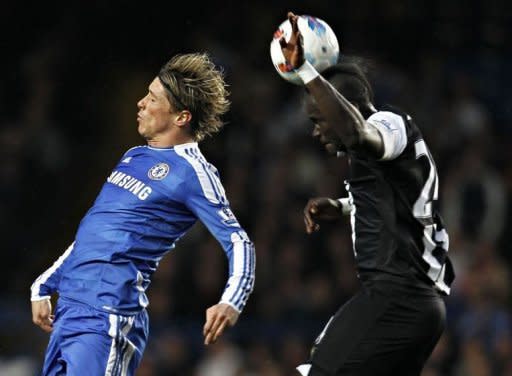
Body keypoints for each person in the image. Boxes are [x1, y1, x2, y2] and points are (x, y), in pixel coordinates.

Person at [30, 52, 256, 376]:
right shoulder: (133, 155)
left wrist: (232, 299)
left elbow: (239, 241)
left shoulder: (194, 172)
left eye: (152, 98)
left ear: (181, 117)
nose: (140, 103)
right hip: (69, 310)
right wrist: (45, 283)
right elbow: (95, 232)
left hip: (108, 315)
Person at [279, 12, 455, 376]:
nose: (315, 132)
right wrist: (344, 207)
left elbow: (360, 135)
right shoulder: (380, 156)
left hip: (400, 297)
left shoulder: (388, 124)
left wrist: (308, 72)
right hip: (414, 305)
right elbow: (400, 200)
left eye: (318, 119)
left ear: (348, 107)